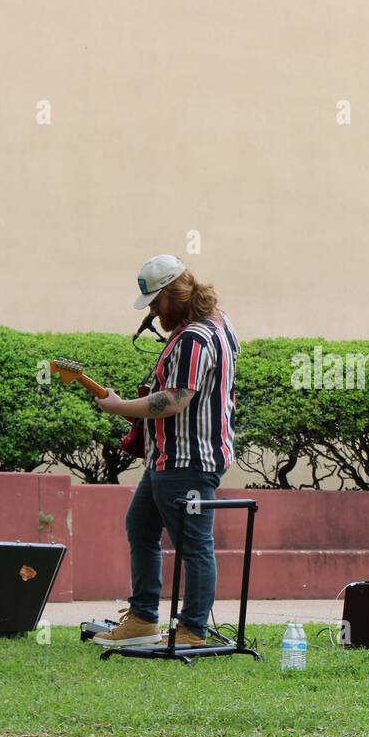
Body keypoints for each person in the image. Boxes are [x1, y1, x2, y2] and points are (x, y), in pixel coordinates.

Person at [91, 254, 240, 647]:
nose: (155, 313)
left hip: (185, 459)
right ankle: (142, 619)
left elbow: (175, 399)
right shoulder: (218, 324)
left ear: (177, 295)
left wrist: (120, 407)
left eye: (158, 303)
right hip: (172, 457)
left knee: (194, 545)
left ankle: (192, 630)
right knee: (140, 526)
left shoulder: (193, 337)